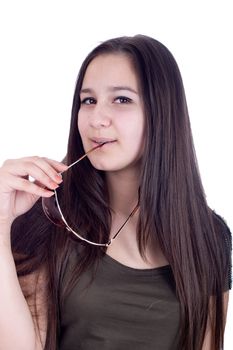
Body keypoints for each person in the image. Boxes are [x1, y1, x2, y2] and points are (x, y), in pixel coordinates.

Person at [0, 35, 231, 350]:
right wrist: (1, 222)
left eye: (121, 99)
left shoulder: (209, 236)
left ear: (161, 112)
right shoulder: (48, 222)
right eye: (88, 100)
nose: (96, 119)